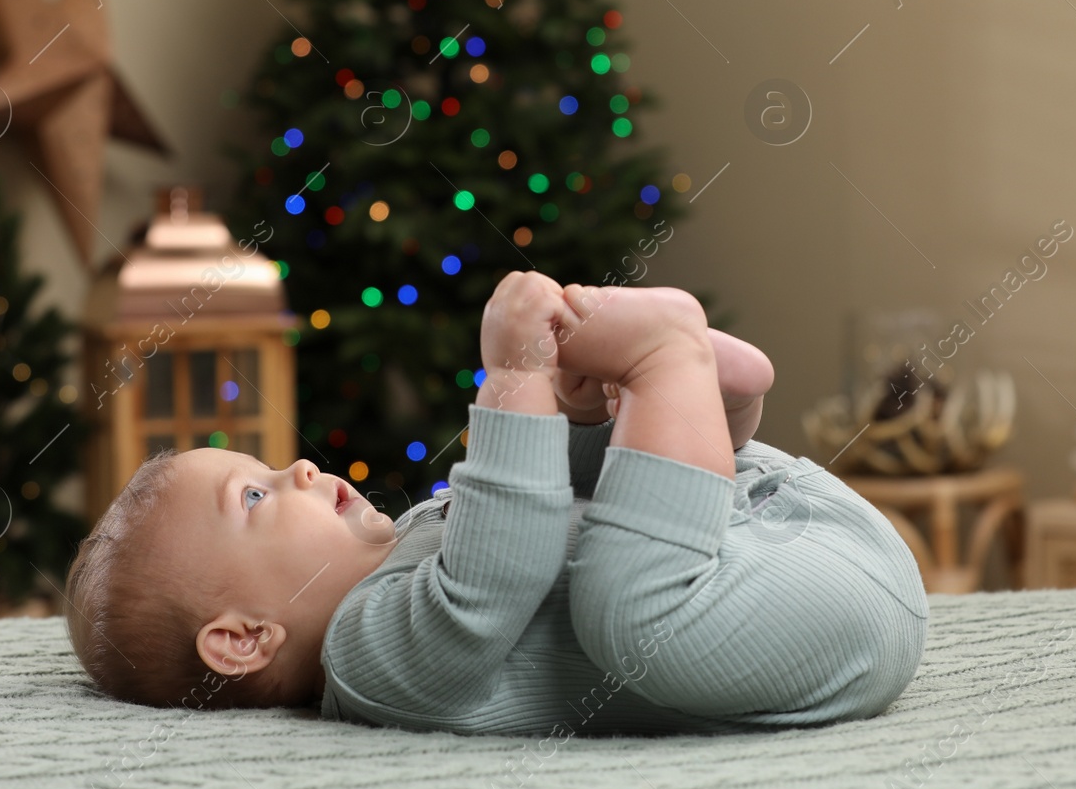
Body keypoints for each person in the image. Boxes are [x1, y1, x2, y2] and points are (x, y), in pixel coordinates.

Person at [66, 271, 927, 737]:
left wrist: (572, 407)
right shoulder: (364, 663)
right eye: (251, 495)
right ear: (244, 637)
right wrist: (514, 377)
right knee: (623, 610)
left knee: (579, 481)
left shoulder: (410, 535)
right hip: (820, 612)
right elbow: (496, 577)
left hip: (782, 530)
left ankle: (698, 394)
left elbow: (544, 506)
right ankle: (673, 364)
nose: (294, 466)